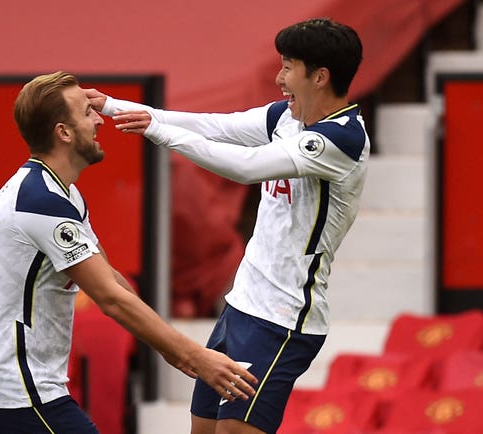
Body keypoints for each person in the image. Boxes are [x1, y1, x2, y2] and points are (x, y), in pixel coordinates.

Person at [86, 17, 368, 434]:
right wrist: (114, 106)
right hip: (240, 306)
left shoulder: (341, 140)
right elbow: (215, 125)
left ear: (320, 76)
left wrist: (161, 133)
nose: (279, 78)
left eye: (289, 66)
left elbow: (245, 167)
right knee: (202, 429)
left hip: (283, 319)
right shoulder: (285, 118)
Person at [0, 71, 257, 434]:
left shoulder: (59, 193)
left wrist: (172, 348)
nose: (98, 121)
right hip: (21, 396)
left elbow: (113, 280)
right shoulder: (41, 201)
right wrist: (195, 357)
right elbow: (109, 298)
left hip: (26, 392)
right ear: (64, 132)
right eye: (87, 113)